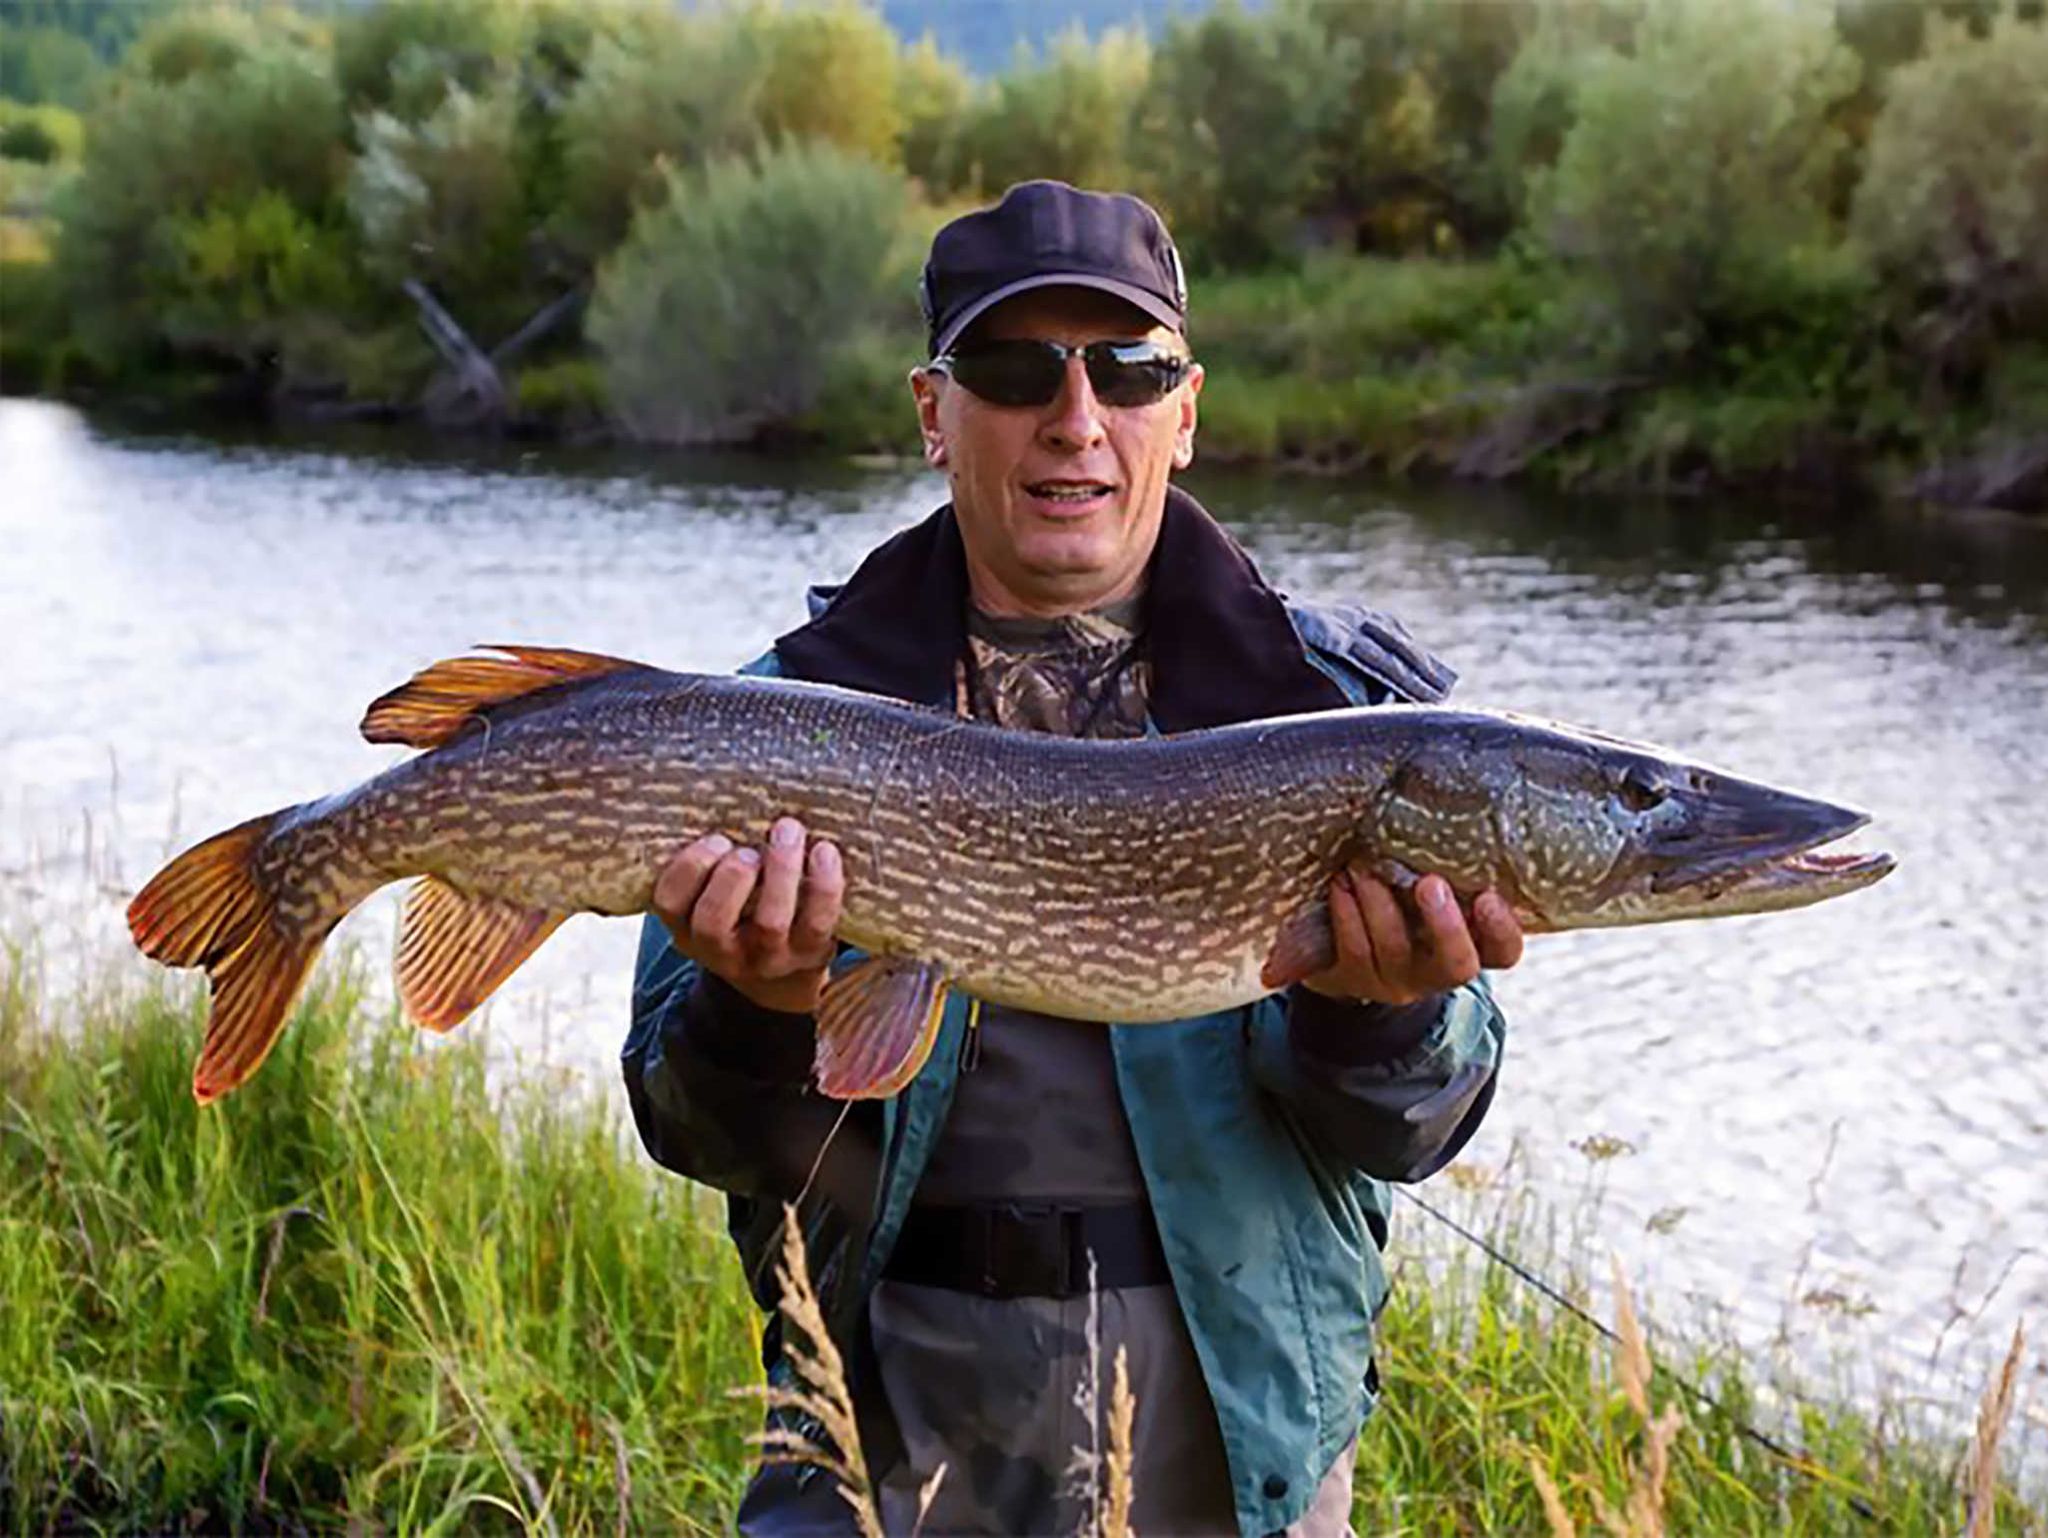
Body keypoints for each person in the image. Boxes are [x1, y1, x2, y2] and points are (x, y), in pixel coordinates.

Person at [623, 181, 1522, 1537]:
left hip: (1232, 1471)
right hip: (888, 1450)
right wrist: (755, 1005)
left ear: (1188, 407)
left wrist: (1379, 1004)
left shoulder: (1338, 720)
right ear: (935, 411)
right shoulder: (783, 719)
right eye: (1013, 367)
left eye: (1129, 367)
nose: (1077, 417)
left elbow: (1420, 1127)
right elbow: (695, 1131)